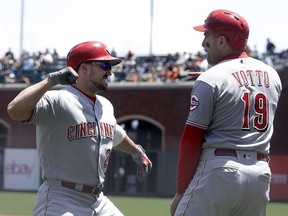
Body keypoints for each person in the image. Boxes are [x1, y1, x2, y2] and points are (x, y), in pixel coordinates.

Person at [7, 41, 152, 216]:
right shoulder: (58, 100)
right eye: (104, 65)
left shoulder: (105, 106)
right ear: (84, 68)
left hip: (98, 200)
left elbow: (114, 134)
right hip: (61, 197)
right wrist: (50, 81)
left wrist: (137, 152)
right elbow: (14, 110)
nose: (110, 71)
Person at [170, 9, 282, 216]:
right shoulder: (272, 75)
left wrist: (180, 191)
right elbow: (243, 86)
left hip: (220, 170)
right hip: (259, 175)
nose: (203, 43)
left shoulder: (211, 79)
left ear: (222, 42)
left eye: (207, 36)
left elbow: (191, 140)